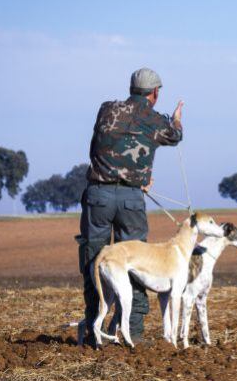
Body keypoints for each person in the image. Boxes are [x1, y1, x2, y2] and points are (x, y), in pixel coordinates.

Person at [76, 67, 183, 345]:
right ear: (155, 93)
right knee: (136, 261)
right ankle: (132, 332)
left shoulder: (106, 109)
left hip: (98, 195)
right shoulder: (154, 120)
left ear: (131, 89)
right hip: (130, 200)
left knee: (94, 261)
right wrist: (176, 119)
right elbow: (174, 136)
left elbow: (97, 147)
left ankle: (94, 329)